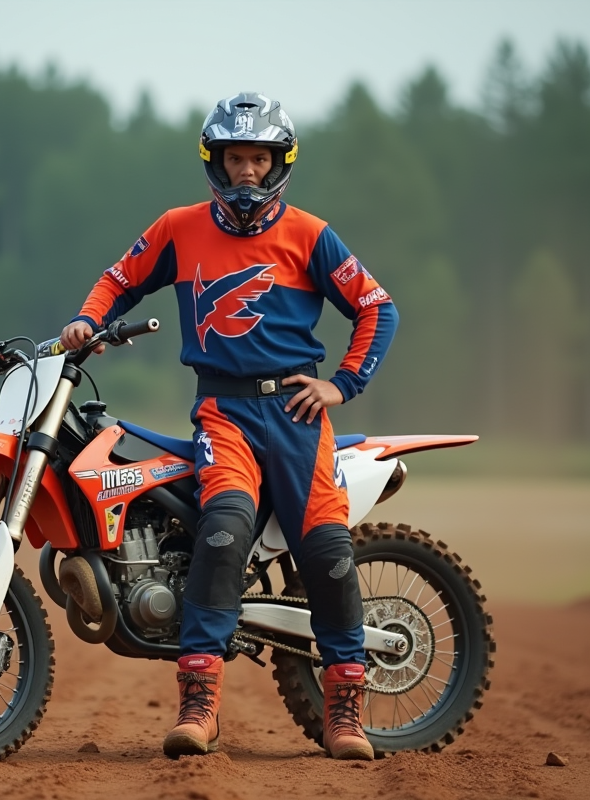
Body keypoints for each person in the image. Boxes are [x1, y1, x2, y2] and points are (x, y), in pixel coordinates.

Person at [59, 92, 398, 761]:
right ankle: (200, 707)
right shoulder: (177, 228)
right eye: (236, 158)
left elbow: (377, 307)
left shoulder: (311, 234)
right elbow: (118, 280)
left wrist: (342, 384)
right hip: (223, 412)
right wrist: (87, 320)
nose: (247, 170)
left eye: (259, 159)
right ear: (215, 162)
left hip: (298, 413)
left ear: (280, 164)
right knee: (222, 531)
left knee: (327, 550)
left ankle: (345, 713)